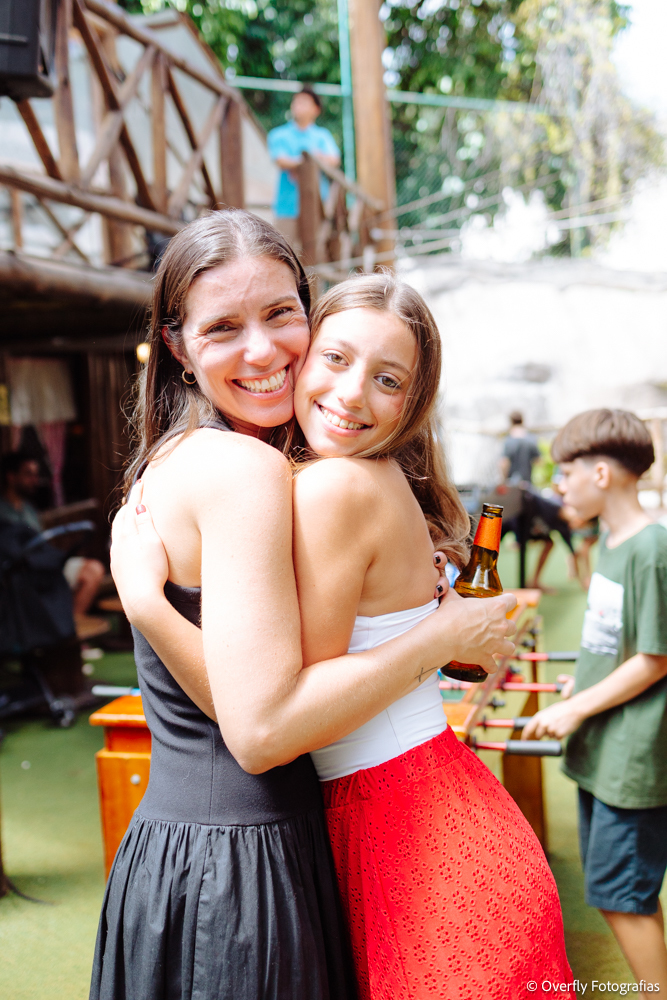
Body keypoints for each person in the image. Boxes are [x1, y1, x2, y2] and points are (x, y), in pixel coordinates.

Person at [111, 250, 573, 997]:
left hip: (410, 836)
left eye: (388, 380)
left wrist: (148, 607)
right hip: (429, 816)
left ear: (412, 402)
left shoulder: (330, 490)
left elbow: (272, 724)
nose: (351, 393)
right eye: (335, 358)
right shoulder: (362, 477)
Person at [523, 409, 667, 998]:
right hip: (604, 744)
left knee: (621, 897)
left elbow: (655, 658)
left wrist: (576, 708)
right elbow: (618, 643)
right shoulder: (610, 540)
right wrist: (579, 688)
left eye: (566, 472)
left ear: (602, 474)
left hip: (632, 754)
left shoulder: (651, 549)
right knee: (625, 892)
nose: (560, 485)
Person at [0, 451, 104, 620]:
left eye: (36, 475)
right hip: (24, 572)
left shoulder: (29, 510)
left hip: (44, 565)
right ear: (11, 477)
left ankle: (69, 626)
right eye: (28, 474)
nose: (35, 480)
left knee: (94, 570)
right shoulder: (3, 512)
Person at [267, 86, 341, 247]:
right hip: (287, 206)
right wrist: (310, 161)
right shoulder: (278, 134)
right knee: (282, 249)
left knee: (314, 252)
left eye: (304, 102)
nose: (298, 105)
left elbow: (334, 159)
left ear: (316, 109)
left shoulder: (322, 136)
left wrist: (302, 162)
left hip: (317, 207)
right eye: (296, 101)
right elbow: (280, 160)